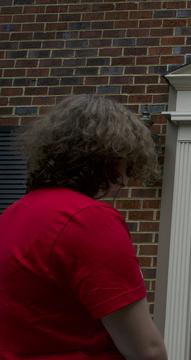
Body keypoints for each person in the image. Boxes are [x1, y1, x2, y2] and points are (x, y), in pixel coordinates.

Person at [0, 95, 167, 359]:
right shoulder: (88, 219)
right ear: (105, 157)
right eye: (125, 163)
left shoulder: (12, 214)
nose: (124, 180)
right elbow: (147, 350)